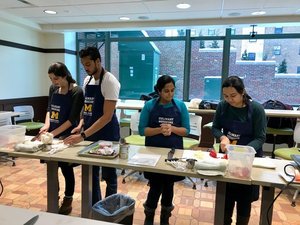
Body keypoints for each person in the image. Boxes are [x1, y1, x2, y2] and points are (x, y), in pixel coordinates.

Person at [64, 46, 120, 205]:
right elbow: (87, 107)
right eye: (83, 65)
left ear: (98, 61)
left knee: (109, 175)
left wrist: (82, 135)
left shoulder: (110, 81)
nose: (86, 68)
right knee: (91, 174)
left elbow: (107, 117)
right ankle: (96, 207)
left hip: (108, 135)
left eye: (88, 64)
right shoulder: (87, 80)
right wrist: (81, 124)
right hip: (89, 134)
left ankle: (110, 208)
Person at [211, 76, 266, 225]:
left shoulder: (256, 109)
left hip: (248, 161)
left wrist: (245, 151)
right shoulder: (222, 107)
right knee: (225, 198)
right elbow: (215, 127)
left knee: (244, 201)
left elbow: (260, 138)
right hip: (228, 158)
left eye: (233, 95)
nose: (229, 99)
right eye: (226, 96)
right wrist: (222, 137)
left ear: (242, 92)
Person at [138, 75, 190, 225]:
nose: (170, 94)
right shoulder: (149, 106)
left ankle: (165, 217)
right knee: (155, 184)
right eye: (166, 91)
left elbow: (186, 130)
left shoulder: (180, 106)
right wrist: (159, 130)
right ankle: (149, 215)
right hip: (153, 152)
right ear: (159, 91)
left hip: (173, 151)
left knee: (168, 184)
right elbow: (142, 130)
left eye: (172, 90)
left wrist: (172, 129)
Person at [39, 62, 84, 215]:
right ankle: (54, 197)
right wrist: (46, 126)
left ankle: (68, 199)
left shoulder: (77, 91)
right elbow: (49, 109)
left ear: (65, 75)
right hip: (52, 134)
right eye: (51, 79)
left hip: (67, 135)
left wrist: (53, 133)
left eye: (56, 79)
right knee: (52, 168)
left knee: (66, 169)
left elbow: (72, 120)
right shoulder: (53, 89)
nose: (53, 82)